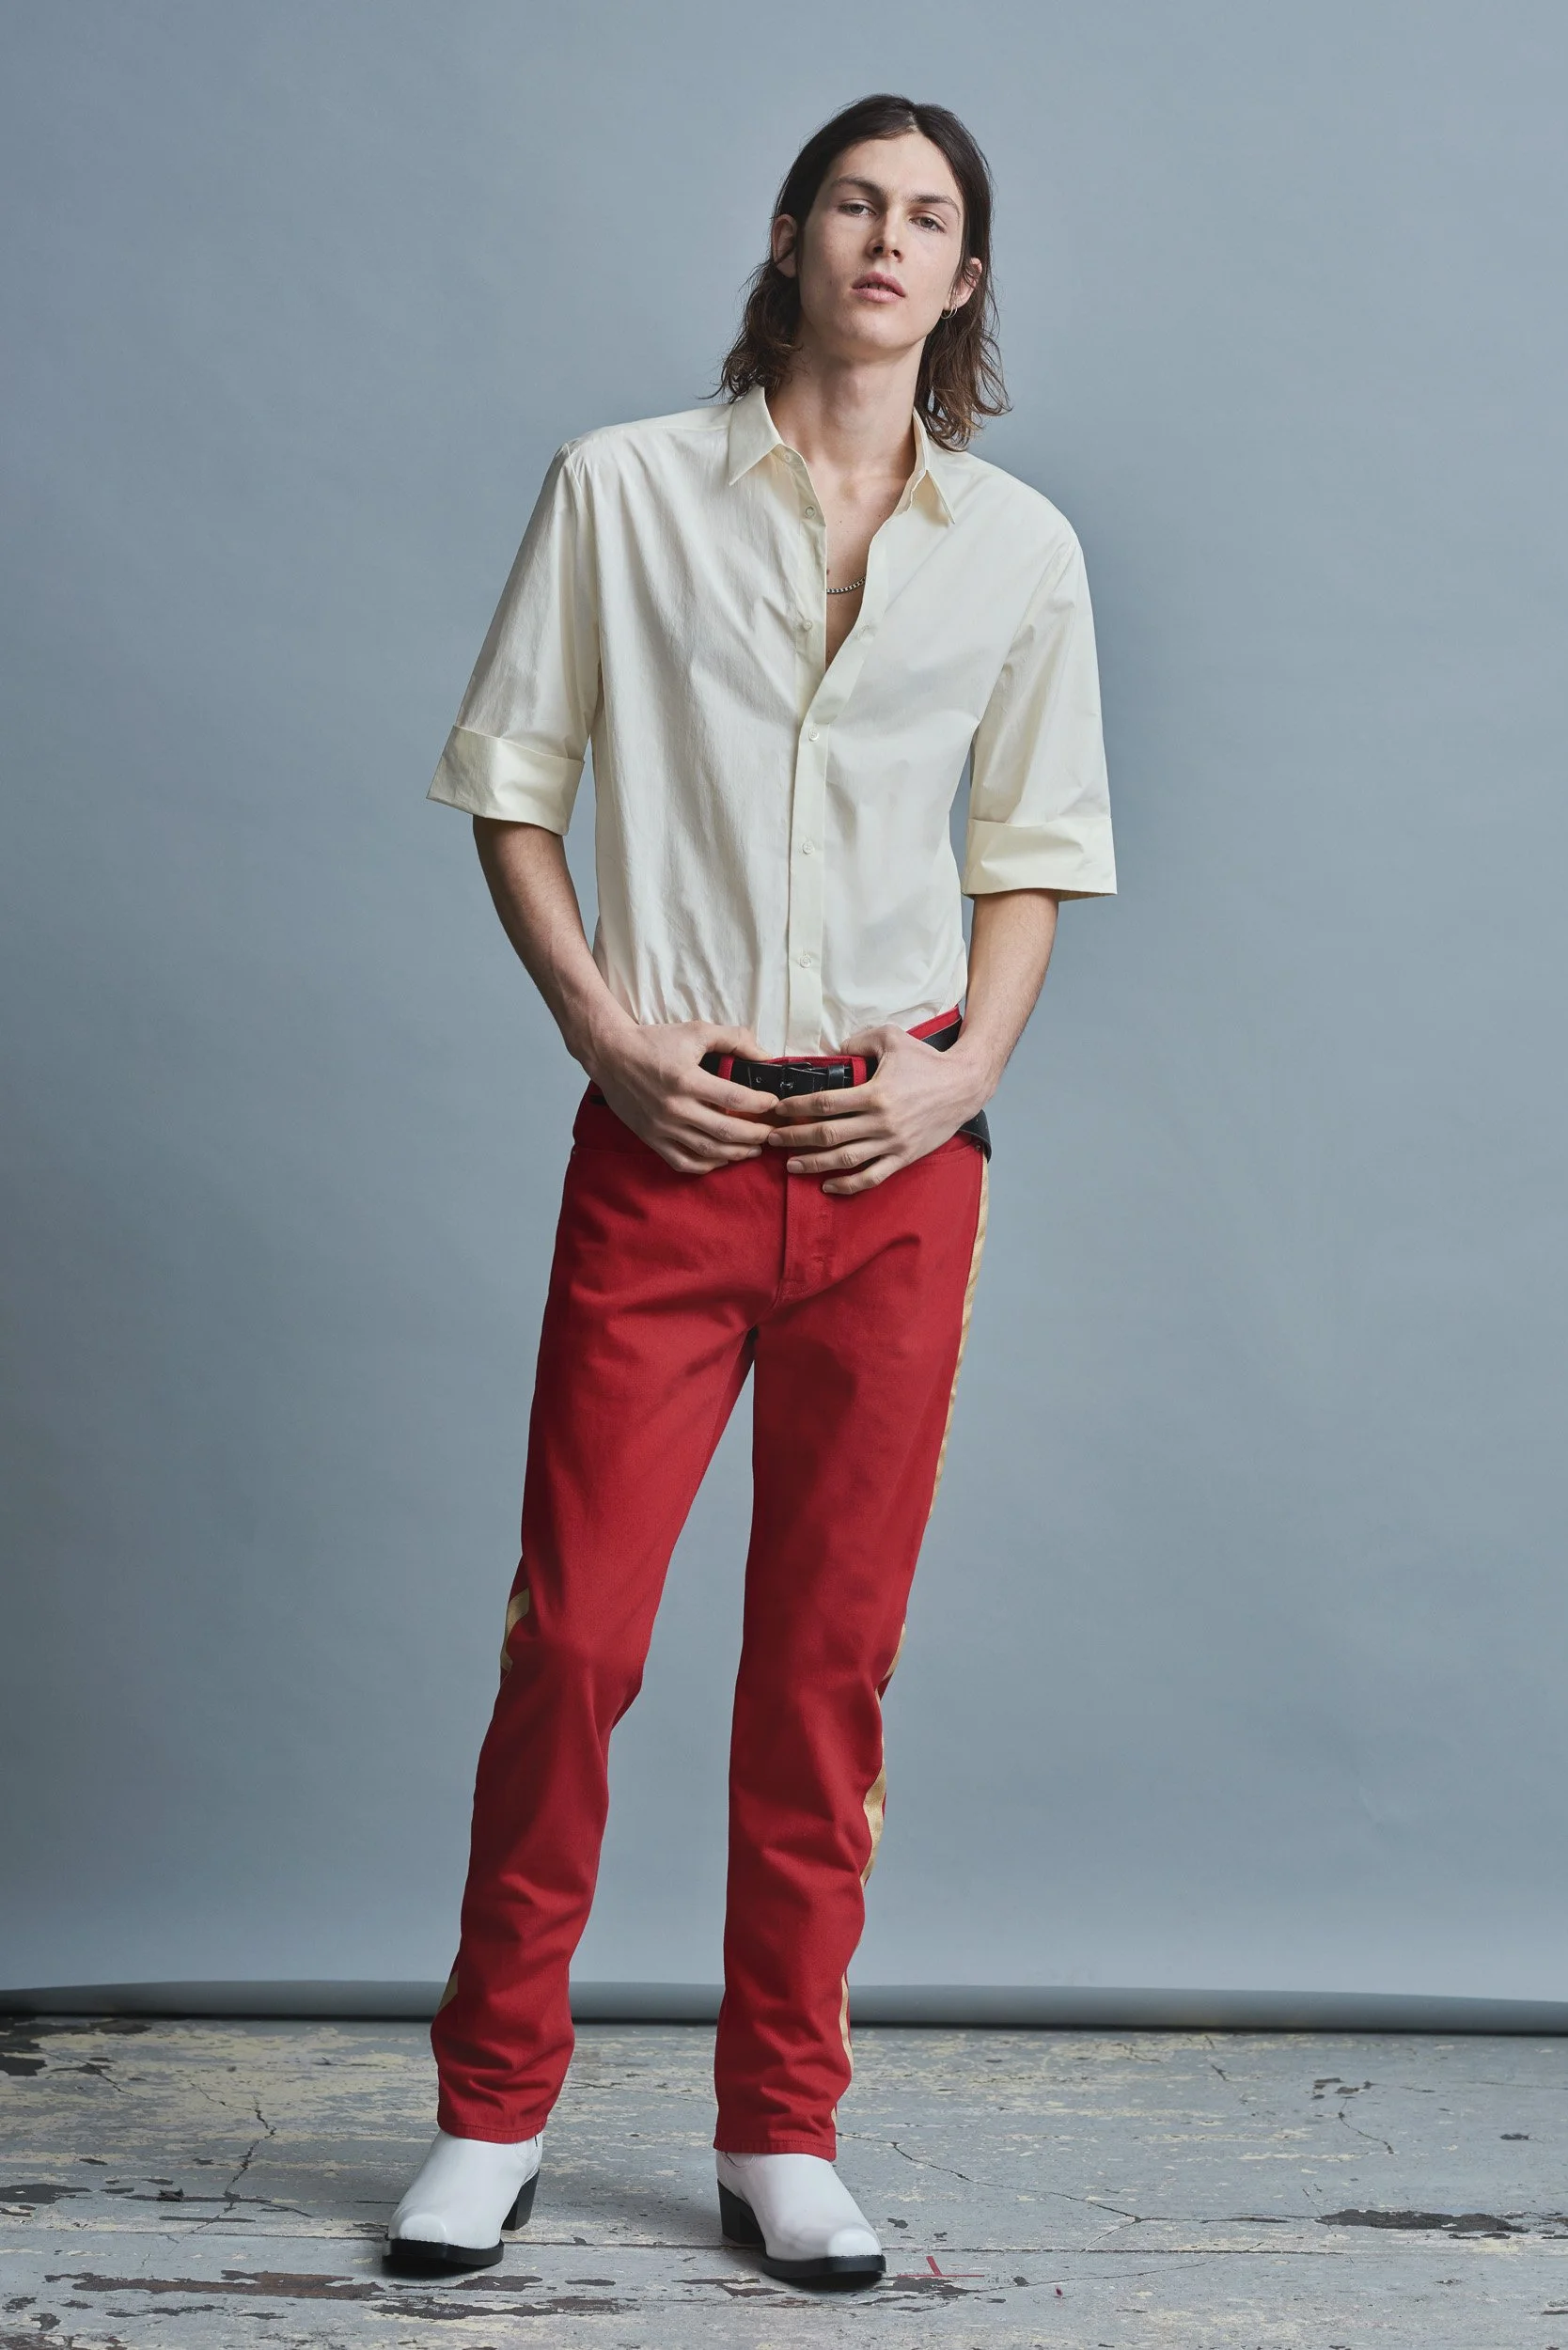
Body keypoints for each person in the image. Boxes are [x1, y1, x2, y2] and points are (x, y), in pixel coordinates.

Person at [386, 90, 1115, 2291]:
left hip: (897, 1163)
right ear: (792, 237)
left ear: (965, 278)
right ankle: (490, 2107)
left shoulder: (1022, 551)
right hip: (670, 1141)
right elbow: (514, 786)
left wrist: (963, 1071)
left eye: (931, 215)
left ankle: (780, 2124)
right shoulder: (621, 489)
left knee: (825, 1669)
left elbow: (1032, 853)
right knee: (576, 1638)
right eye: (854, 202)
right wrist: (605, 1031)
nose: (889, 238)